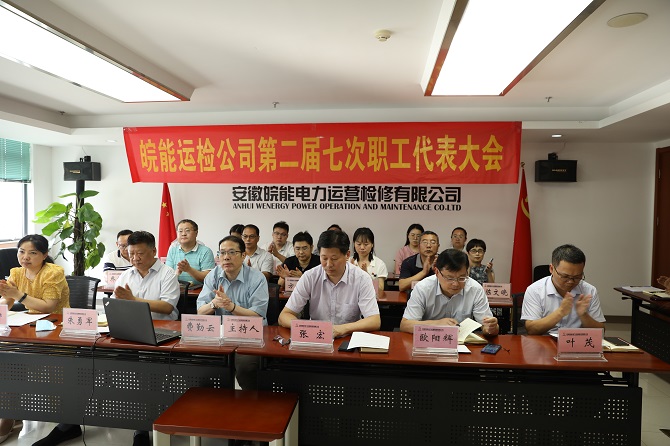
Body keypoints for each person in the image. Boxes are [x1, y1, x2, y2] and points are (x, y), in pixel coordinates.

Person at [0, 235, 70, 446]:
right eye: (21, 252)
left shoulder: (54, 272)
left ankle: (12, 415)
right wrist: (4, 301)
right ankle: (9, 414)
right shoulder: (16, 272)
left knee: (18, 364)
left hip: (57, 329)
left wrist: (18, 295)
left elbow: (49, 306)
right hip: (30, 327)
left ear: (45, 255)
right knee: (8, 361)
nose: (25, 257)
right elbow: (7, 301)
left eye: (32, 253)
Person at [196, 235, 269, 390]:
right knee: (203, 362)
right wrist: (214, 303)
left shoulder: (257, 278)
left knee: (246, 366)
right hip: (221, 335)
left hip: (250, 334)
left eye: (231, 252)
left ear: (243, 255)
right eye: (222, 253)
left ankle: (250, 400)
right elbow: (200, 311)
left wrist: (231, 307)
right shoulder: (213, 275)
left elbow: (257, 315)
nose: (226, 257)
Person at [278, 230, 381, 338]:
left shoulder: (362, 279)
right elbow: (284, 315)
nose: (328, 264)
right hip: (316, 337)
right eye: (324, 258)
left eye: (334, 259)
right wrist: (306, 327)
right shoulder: (310, 276)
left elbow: (374, 320)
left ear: (347, 255)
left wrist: (342, 329)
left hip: (348, 338)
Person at [399, 249, 498, 335]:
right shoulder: (423, 288)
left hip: (461, 345)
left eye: (462, 278)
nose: (456, 284)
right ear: (437, 272)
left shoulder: (475, 289)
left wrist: (491, 328)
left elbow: (488, 327)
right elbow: (405, 325)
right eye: (450, 278)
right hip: (429, 341)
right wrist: (437, 324)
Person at [521, 244, 605, 336]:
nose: (571, 281)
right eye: (565, 276)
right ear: (551, 269)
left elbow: (601, 332)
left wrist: (584, 315)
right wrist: (560, 312)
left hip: (577, 342)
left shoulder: (589, 290)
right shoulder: (535, 290)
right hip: (545, 342)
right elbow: (531, 329)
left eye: (577, 277)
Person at [166, 219, 215, 286]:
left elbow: (208, 278)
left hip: (198, 291)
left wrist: (189, 269)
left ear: (196, 233)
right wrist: (176, 273)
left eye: (187, 231)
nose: (183, 234)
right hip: (176, 289)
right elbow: (167, 275)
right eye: (180, 231)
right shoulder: (172, 251)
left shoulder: (206, 251)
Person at [350, 227, 388, 298]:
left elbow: (380, 289)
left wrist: (367, 276)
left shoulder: (379, 264)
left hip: (372, 299)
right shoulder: (348, 262)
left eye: (366, 244)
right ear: (354, 244)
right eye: (359, 244)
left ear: (372, 244)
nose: (362, 247)